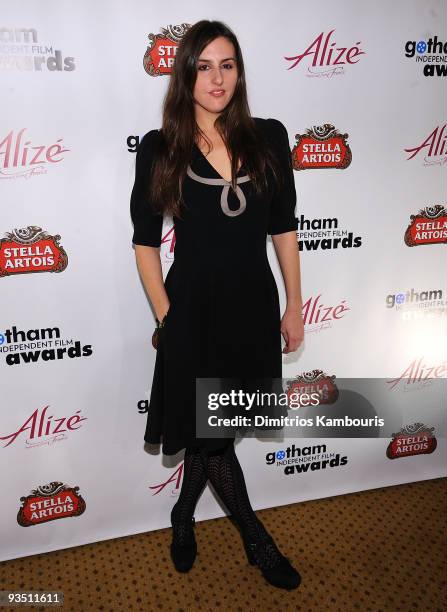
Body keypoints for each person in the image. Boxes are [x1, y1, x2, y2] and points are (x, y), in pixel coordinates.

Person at [130, 20, 304, 590]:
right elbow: (145, 242)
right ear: (184, 74)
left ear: (240, 72)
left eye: (226, 64)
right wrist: (166, 317)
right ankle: (258, 540)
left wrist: (295, 304)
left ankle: (183, 515)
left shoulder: (270, 137)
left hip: (252, 307)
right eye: (203, 65)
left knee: (217, 430)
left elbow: (283, 229)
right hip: (192, 312)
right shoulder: (162, 147)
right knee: (211, 436)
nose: (216, 77)